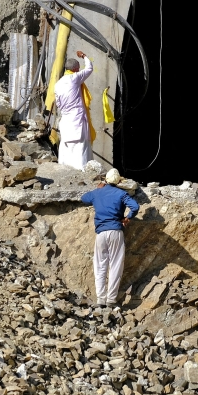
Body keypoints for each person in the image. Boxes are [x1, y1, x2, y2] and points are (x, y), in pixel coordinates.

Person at [81, 168, 140, 311]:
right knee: (115, 265)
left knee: (100, 265)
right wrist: (128, 218)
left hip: (101, 233)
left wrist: (98, 189)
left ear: (105, 180)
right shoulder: (121, 193)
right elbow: (135, 207)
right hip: (115, 232)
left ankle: (100, 298)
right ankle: (111, 300)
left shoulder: (97, 192)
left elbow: (83, 198)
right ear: (119, 181)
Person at [54, 50, 95, 170]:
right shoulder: (75, 78)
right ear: (76, 69)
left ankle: (65, 170)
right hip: (77, 118)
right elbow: (89, 68)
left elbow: (58, 104)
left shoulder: (58, 84)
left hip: (65, 119)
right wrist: (84, 56)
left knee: (66, 146)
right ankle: (82, 170)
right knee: (80, 146)